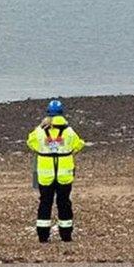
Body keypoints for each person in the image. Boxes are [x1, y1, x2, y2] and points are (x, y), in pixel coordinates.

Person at [26, 100, 85, 243]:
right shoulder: (69, 131)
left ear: (48, 113)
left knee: (45, 202)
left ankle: (43, 236)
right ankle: (66, 235)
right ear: (61, 113)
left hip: (45, 174)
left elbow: (30, 142)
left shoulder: (40, 131)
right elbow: (79, 145)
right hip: (64, 173)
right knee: (64, 202)